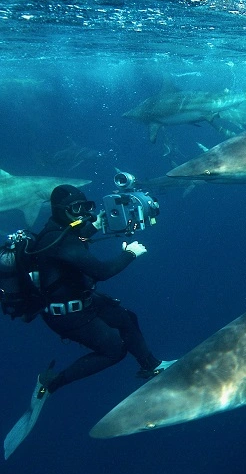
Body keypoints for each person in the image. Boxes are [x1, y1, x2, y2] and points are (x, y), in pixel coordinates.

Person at [4, 184, 174, 459]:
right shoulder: (60, 241)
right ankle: (50, 383)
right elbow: (102, 271)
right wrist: (130, 253)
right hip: (66, 315)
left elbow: (77, 236)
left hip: (82, 301)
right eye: (75, 209)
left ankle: (151, 366)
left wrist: (96, 225)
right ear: (60, 210)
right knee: (114, 350)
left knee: (126, 318)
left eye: (85, 207)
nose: (81, 213)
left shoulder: (57, 230)